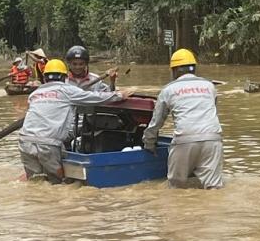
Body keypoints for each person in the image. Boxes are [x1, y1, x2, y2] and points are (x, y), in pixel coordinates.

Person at [18, 58, 133, 182]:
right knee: (56, 184)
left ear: (45, 78)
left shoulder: (34, 94)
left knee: (36, 182)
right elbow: (94, 97)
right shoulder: (67, 90)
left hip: (25, 142)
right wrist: (119, 95)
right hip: (48, 144)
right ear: (64, 77)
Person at [143, 48, 223, 189]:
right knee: (214, 189)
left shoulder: (168, 90)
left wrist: (149, 144)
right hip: (213, 139)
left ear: (174, 70)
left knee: (176, 189)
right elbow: (212, 112)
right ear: (194, 69)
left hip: (185, 140)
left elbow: (156, 123)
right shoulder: (210, 86)